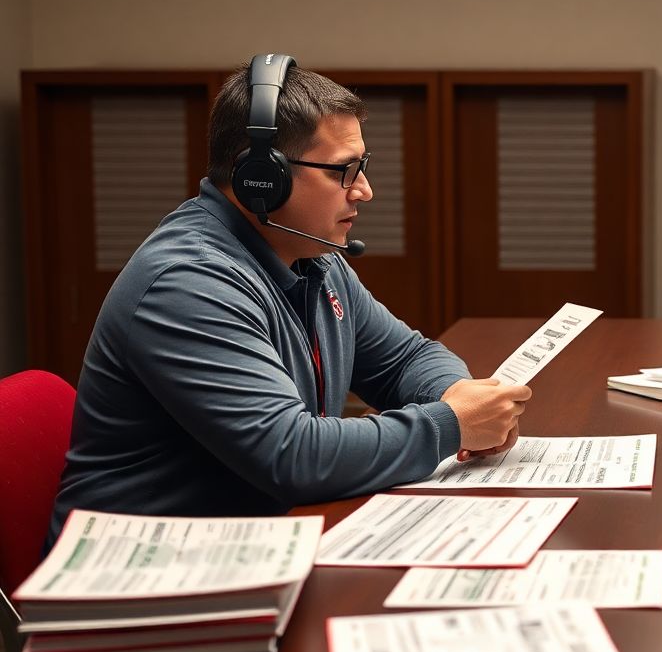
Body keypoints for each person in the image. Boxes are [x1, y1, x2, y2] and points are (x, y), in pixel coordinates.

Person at [48, 56, 530, 540]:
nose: (364, 190)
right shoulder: (187, 282)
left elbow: (405, 358)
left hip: (246, 540)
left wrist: (457, 397)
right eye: (343, 171)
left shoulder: (311, 256)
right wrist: (450, 424)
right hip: (136, 575)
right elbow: (294, 456)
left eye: (361, 167)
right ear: (262, 178)